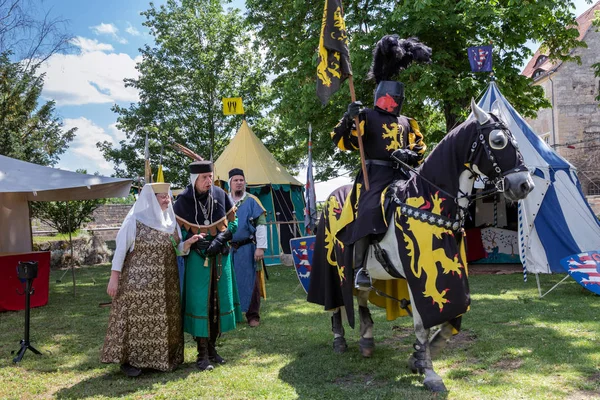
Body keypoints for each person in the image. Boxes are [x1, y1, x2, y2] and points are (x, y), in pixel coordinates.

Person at [330, 35, 431, 289]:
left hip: (405, 175)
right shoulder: (366, 116)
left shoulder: (407, 122)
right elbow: (343, 141)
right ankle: (361, 268)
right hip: (375, 176)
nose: (392, 102)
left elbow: (419, 148)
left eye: (395, 99)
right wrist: (348, 118)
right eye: (388, 98)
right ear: (380, 96)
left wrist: (410, 155)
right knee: (369, 209)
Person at [101, 182, 204, 377]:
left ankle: (161, 360)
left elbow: (176, 250)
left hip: (167, 284)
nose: (167, 200)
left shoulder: (170, 221)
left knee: (163, 322)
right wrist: (114, 278)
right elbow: (121, 251)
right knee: (138, 324)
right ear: (151, 199)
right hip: (138, 284)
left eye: (168, 196)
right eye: (162, 196)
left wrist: (187, 244)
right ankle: (130, 362)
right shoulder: (135, 221)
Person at [173, 160, 242, 371]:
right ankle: (201, 353)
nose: (208, 181)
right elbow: (177, 232)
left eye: (210, 176)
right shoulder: (182, 202)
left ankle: (212, 348)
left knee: (217, 301)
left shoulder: (220, 195)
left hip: (220, 257)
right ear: (194, 179)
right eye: (204, 177)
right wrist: (195, 244)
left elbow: (233, 222)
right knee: (200, 302)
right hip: (197, 262)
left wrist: (221, 238)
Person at [228, 168, 268, 328]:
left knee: (251, 282)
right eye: (235, 180)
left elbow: (261, 224)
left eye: (241, 180)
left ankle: (253, 315)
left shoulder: (252, 200)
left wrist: (261, 247)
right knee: (228, 282)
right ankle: (232, 314)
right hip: (227, 249)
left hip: (247, 248)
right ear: (229, 182)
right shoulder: (223, 200)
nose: (239, 183)